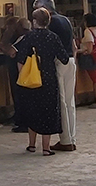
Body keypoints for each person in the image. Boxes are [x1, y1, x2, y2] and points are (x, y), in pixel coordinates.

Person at [15, 9, 71, 156]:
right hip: (49, 78)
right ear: (48, 21)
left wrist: (22, 76)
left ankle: (32, 145)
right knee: (48, 111)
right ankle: (46, 148)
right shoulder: (53, 37)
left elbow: (20, 59)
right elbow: (64, 58)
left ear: (34, 21)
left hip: (31, 79)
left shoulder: (28, 37)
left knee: (32, 110)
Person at [32, 0, 78, 152]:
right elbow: (73, 44)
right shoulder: (65, 20)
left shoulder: (51, 23)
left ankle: (65, 140)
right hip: (70, 60)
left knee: (61, 102)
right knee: (70, 102)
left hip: (58, 62)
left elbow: (48, 46)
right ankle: (71, 137)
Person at [0, 17, 30, 132]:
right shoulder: (32, 36)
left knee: (20, 95)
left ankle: (23, 122)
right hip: (31, 71)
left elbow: (11, 51)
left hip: (19, 70)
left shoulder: (20, 39)